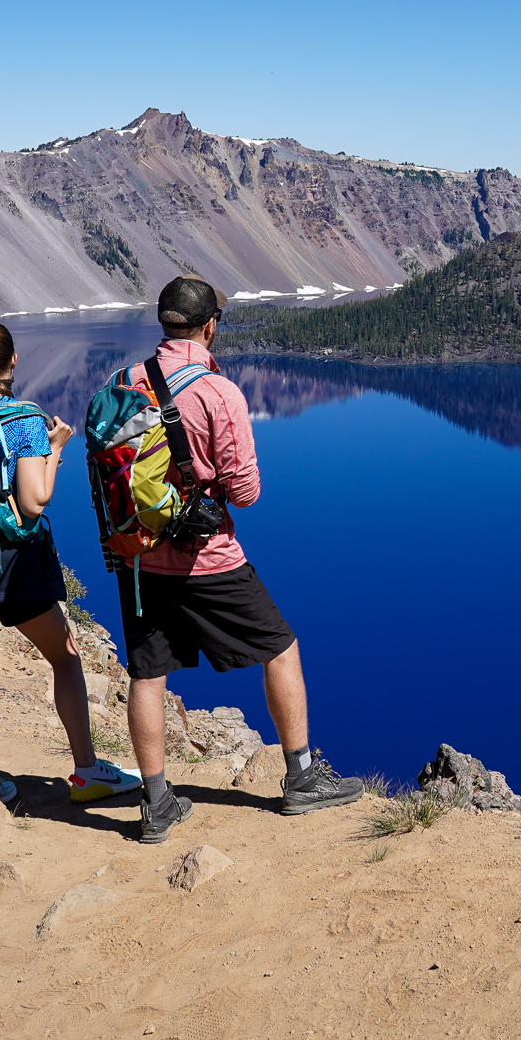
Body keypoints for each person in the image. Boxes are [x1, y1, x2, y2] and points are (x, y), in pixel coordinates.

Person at [116, 275, 362, 841]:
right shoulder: (217, 392)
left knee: (148, 675)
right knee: (280, 647)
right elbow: (246, 491)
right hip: (206, 558)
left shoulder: (125, 381)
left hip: (140, 557)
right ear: (209, 326)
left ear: (164, 324)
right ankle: (300, 779)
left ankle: (157, 805)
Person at [0, 321, 143, 809]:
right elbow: (34, 501)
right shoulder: (22, 417)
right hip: (11, 563)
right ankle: (87, 772)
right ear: (13, 361)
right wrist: (58, 445)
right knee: (64, 658)